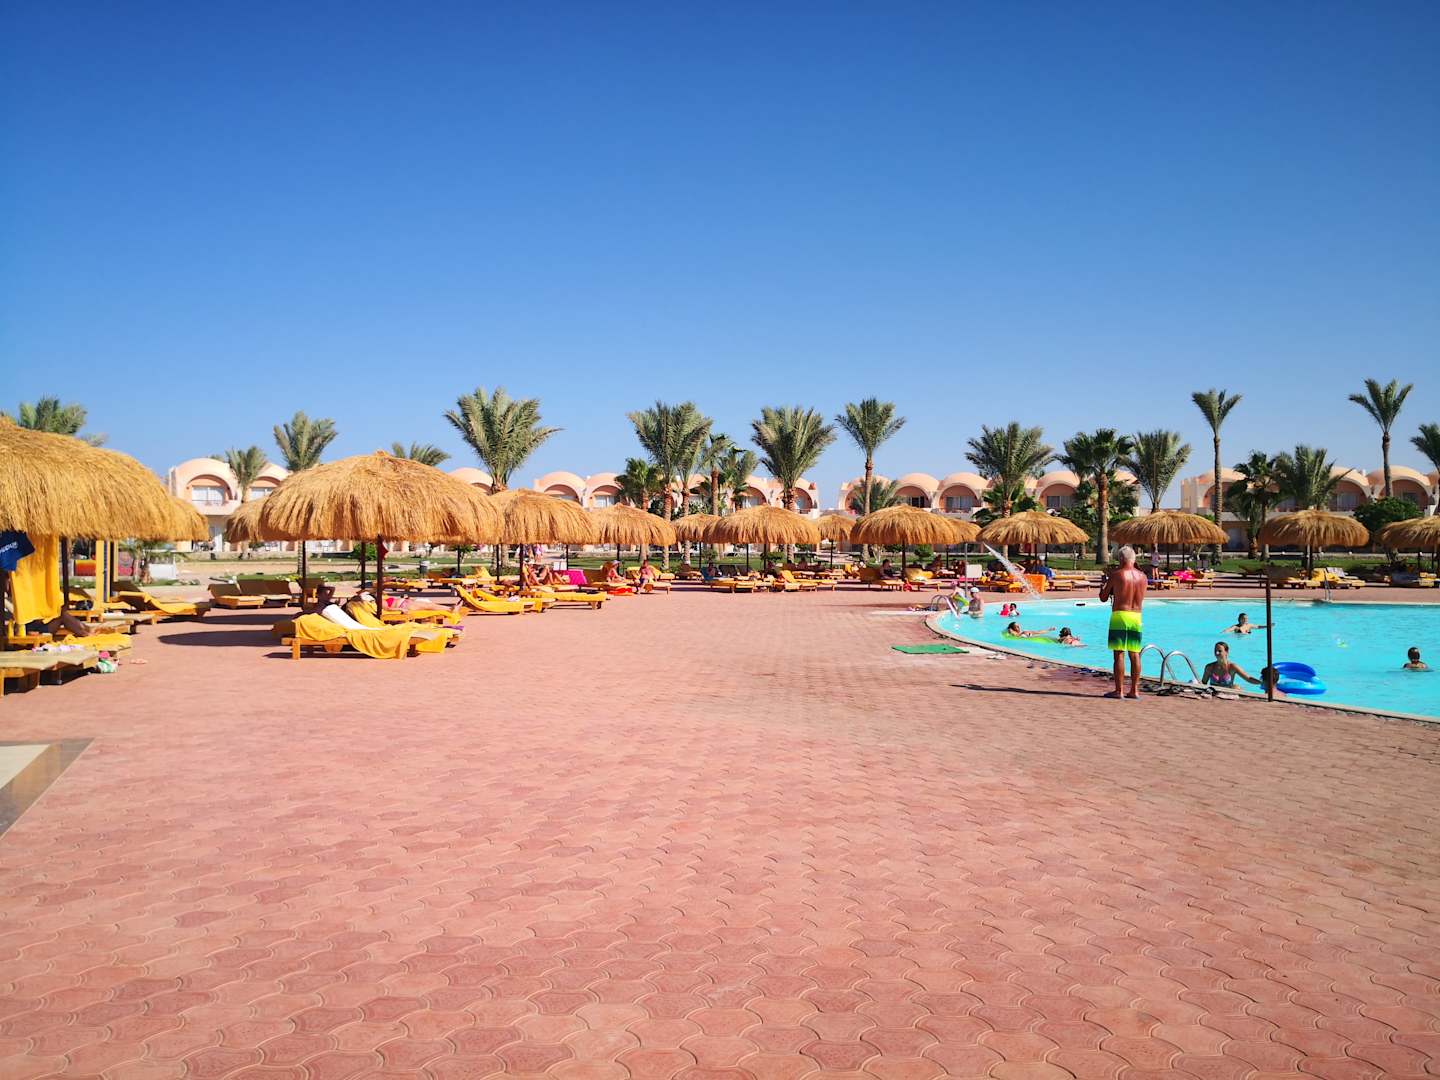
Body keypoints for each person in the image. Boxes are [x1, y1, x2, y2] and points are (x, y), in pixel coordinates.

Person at [1099, 544, 1147, 699]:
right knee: (1135, 653)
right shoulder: (1143, 577)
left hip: (1120, 615)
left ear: (1121, 558)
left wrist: (1102, 586)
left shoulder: (1117, 575)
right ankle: (1134, 690)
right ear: (1133, 559)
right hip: (1136, 616)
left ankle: (1119, 690)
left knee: (1119, 654)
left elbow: (1103, 597)